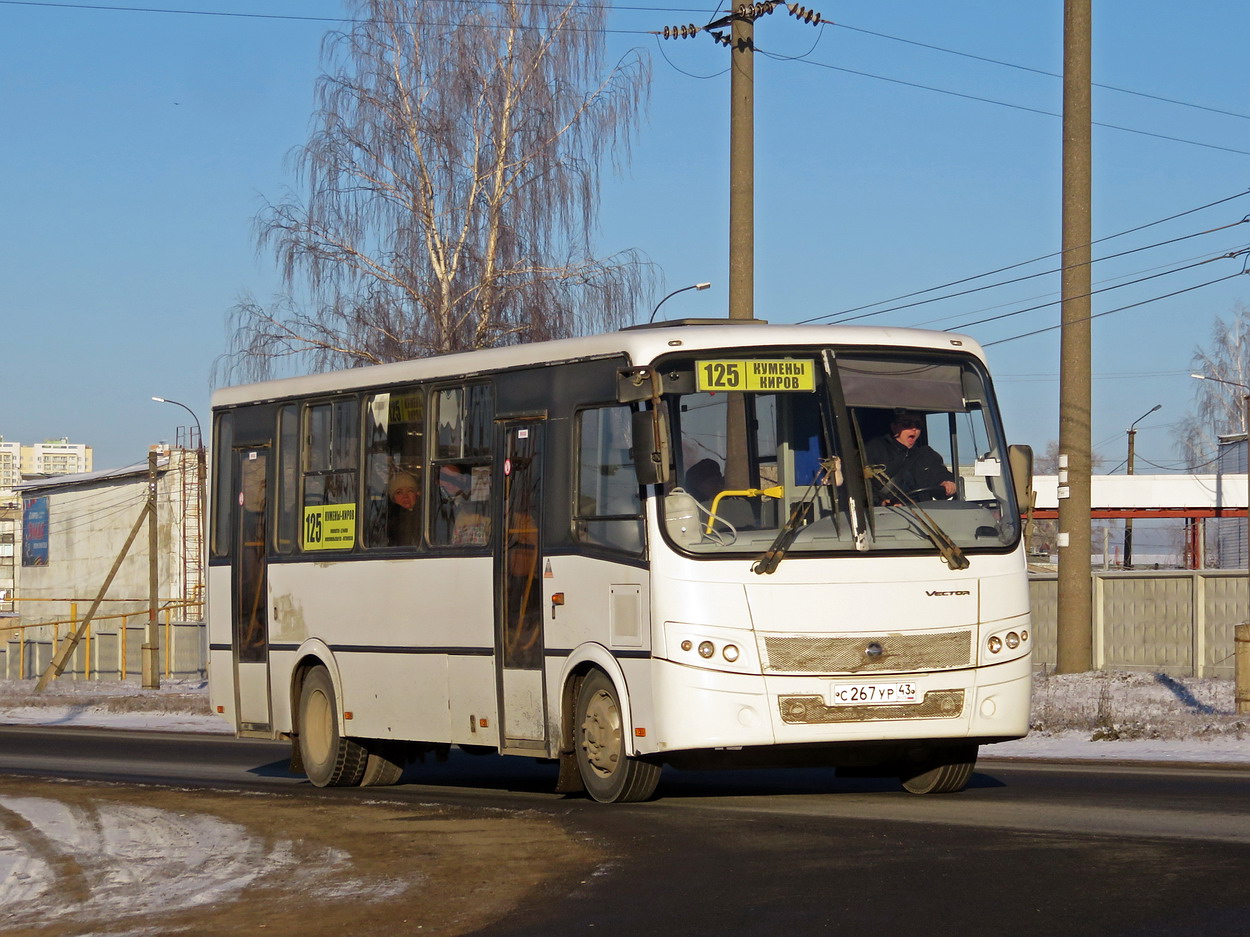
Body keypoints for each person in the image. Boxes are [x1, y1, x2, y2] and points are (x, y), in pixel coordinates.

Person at [862, 412, 957, 504]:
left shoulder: (926, 454)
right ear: (894, 427)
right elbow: (862, 486)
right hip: (885, 514)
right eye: (907, 424)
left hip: (922, 514)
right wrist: (881, 503)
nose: (914, 428)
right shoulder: (874, 450)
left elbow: (939, 473)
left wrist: (946, 482)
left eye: (918, 424)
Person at [386, 471, 420, 545]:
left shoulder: (426, 518)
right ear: (393, 498)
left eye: (410, 491)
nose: (405, 496)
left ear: (416, 495)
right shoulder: (388, 522)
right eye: (399, 492)